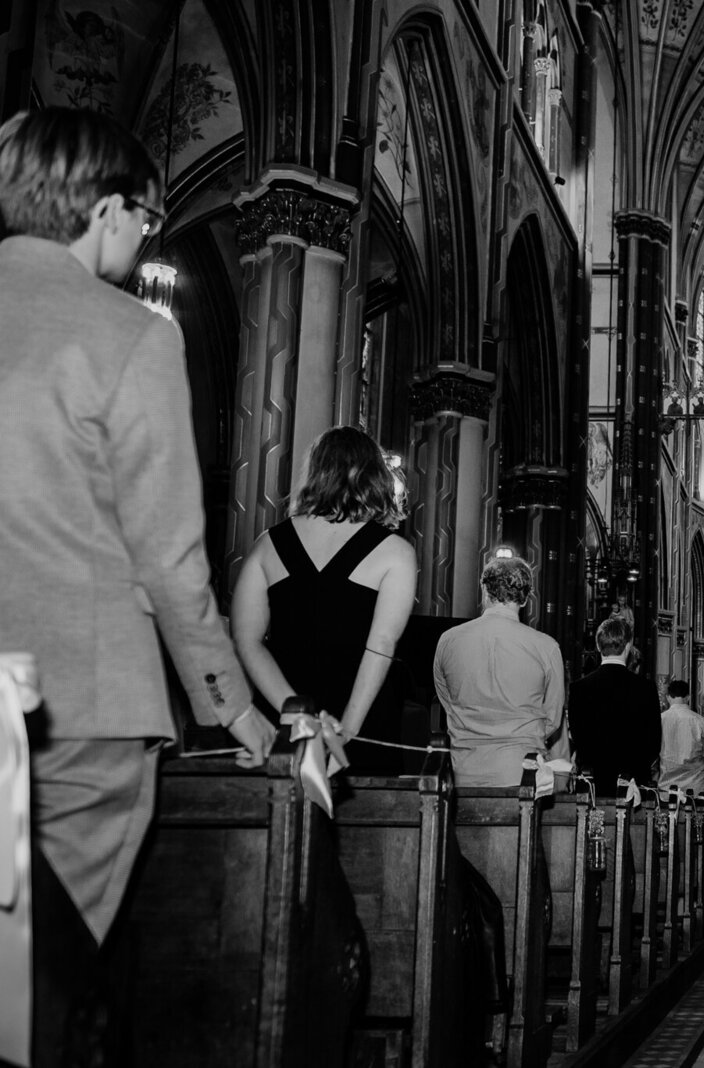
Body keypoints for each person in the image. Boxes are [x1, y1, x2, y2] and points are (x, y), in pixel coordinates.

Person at [0, 106, 277, 1063]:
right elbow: (167, 554)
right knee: (43, 979)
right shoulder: (131, 336)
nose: (143, 241)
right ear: (107, 211)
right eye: (146, 222)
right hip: (79, 711)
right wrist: (230, 707)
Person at [232, 426, 417, 771]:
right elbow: (381, 645)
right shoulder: (396, 553)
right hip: (363, 720)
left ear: (315, 473)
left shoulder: (268, 544)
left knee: (279, 818)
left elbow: (246, 641)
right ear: (373, 476)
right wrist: (346, 730)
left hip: (284, 717)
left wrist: (297, 714)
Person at [433, 555, 565, 787]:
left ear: (484, 590)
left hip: (463, 768)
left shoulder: (449, 640)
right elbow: (553, 718)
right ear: (525, 598)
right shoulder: (547, 647)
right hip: (520, 770)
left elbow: (446, 700)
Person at [567, 617, 661, 797]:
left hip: (594, 784)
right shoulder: (645, 688)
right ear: (628, 647)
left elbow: (579, 738)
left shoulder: (579, 688)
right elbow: (653, 743)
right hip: (634, 786)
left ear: (597, 645)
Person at [658, 680, 704, 795]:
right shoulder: (701, 722)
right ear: (688, 697)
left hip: (667, 787)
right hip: (696, 787)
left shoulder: (659, 720)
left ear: (668, 697)